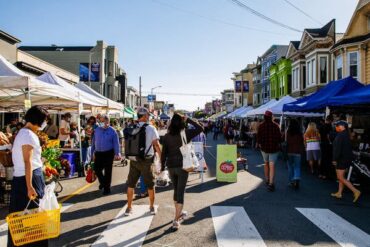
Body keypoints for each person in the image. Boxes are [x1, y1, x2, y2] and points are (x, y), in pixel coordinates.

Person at [8, 106, 49, 247]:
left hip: (24, 178)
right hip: (28, 179)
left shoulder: (24, 133)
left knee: (25, 218)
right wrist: (30, 186)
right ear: (38, 120)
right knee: (32, 217)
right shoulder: (28, 135)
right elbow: (28, 162)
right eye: (44, 120)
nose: (45, 123)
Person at [161, 113, 204, 229]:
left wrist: (161, 168)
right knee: (180, 193)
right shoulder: (185, 133)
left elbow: (163, 154)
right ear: (182, 122)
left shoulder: (167, 136)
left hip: (170, 166)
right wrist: (189, 119)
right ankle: (175, 220)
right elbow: (200, 128)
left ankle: (178, 214)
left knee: (176, 190)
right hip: (183, 166)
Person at [125, 108, 161, 216]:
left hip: (134, 159)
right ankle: (151, 207)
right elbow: (156, 145)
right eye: (148, 115)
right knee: (150, 185)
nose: (149, 117)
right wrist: (161, 157)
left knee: (131, 185)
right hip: (147, 161)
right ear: (144, 116)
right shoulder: (151, 128)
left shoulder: (131, 127)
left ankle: (129, 208)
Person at [331, 121, 361, 203]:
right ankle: (339, 193)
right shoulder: (346, 134)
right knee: (342, 176)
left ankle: (355, 191)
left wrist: (334, 159)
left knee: (340, 177)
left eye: (337, 126)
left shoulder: (341, 135)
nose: (336, 127)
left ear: (342, 126)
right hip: (345, 158)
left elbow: (338, 149)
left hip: (341, 159)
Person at [91, 115, 121, 195]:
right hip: (98, 153)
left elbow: (116, 143)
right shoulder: (96, 130)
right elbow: (93, 142)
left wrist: (117, 153)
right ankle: (103, 183)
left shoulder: (112, 131)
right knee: (97, 169)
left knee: (108, 172)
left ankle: (107, 189)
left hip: (108, 153)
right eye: (100, 121)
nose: (100, 123)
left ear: (107, 122)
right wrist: (92, 152)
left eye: (102, 121)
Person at [257, 110, 281, 192]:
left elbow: (258, 138)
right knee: (272, 165)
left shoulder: (261, 126)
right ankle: (271, 183)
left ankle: (267, 180)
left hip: (264, 148)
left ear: (264, 117)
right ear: (271, 117)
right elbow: (279, 138)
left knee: (266, 163)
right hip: (274, 148)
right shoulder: (276, 126)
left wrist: (260, 145)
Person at [286, 119, 304, 189]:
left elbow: (287, 141)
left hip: (289, 151)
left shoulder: (288, 132)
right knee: (297, 166)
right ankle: (296, 179)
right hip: (297, 151)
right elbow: (301, 142)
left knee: (290, 167)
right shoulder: (300, 133)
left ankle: (291, 181)